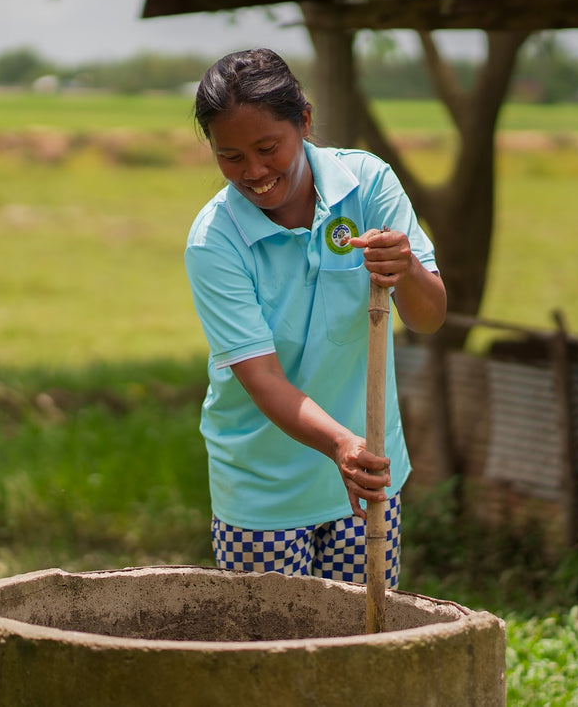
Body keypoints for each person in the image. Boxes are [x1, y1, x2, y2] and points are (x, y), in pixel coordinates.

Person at [185, 48, 446, 589]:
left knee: (360, 643)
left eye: (267, 148)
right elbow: (263, 380)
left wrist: (408, 272)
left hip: (369, 472)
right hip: (262, 487)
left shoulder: (367, 184)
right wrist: (340, 447)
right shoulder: (215, 240)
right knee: (269, 653)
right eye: (230, 156)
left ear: (304, 122)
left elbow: (428, 317)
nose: (253, 172)